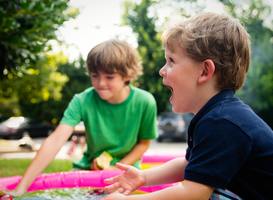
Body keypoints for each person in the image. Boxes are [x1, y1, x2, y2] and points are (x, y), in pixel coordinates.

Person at [102, 12, 273, 200]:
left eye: (171, 61)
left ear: (205, 71)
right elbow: (189, 164)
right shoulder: (218, 115)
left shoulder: (223, 122)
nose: (161, 70)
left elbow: (193, 194)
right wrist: (143, 177)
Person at [11, 39, 157, 196]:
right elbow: (55, 140)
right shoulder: (82, 100)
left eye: (109, 77)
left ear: (127, 75)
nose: (100, 83)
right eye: (95, 76)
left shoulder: (145, 101)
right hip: (89, 170)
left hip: (127, 171)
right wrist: (21, 188)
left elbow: (143, 143)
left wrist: (115, 168)